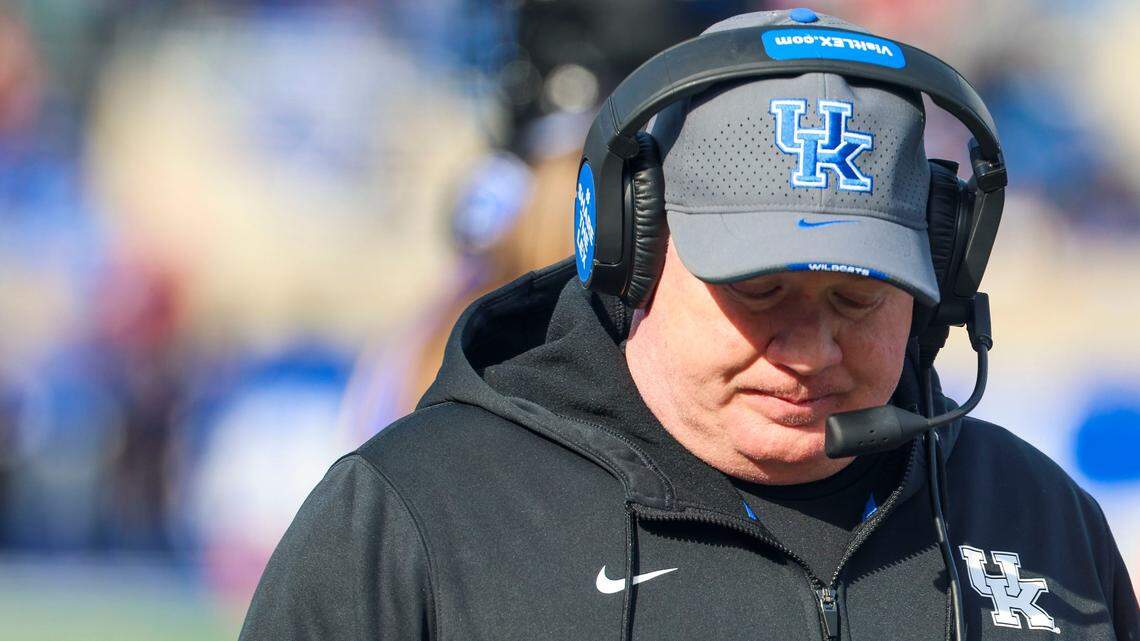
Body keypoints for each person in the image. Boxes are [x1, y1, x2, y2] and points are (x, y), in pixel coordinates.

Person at [239, 9, 1139, 641]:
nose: (809, 350)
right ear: (631, 248)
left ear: (938, 278)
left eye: (856, 295)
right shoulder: (414, 517)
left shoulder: (1042, 522)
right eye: (761, 290)